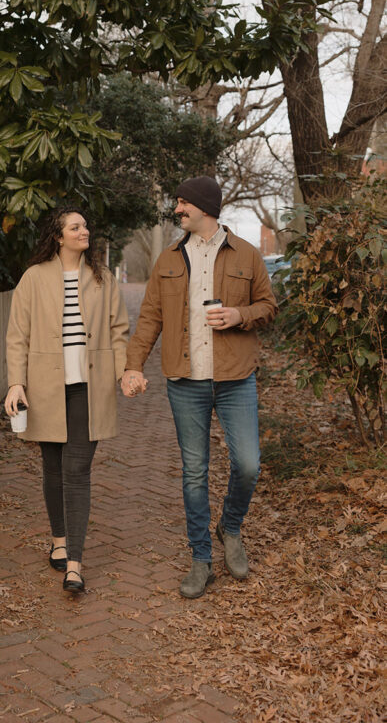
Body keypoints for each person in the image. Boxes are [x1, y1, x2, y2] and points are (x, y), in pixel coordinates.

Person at [121, 176, 277, 599]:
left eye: (183, 203)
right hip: (185, 383)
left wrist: (238, 316)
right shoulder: (169, 259)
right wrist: (133, 366)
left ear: (204, 207)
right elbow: (150, 317)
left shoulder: (246, 253)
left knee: (247, 464)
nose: (177, 210)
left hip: (235, 378)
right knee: (194, 474)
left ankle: (230, 525)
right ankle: (201, 558)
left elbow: (268, 306)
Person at [5, 207, 129, 595]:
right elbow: (17, 336)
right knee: (53, 467)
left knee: (78, 470)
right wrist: (15, 384)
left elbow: (119, 329)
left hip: (90, 388)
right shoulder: (34, 278)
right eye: (75, 227)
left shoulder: (102, 278)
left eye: (86, 226)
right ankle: (58, 537)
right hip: (45, 387)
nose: (84, 231)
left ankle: (74, 563)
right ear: (58, 237)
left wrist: (124, 372)